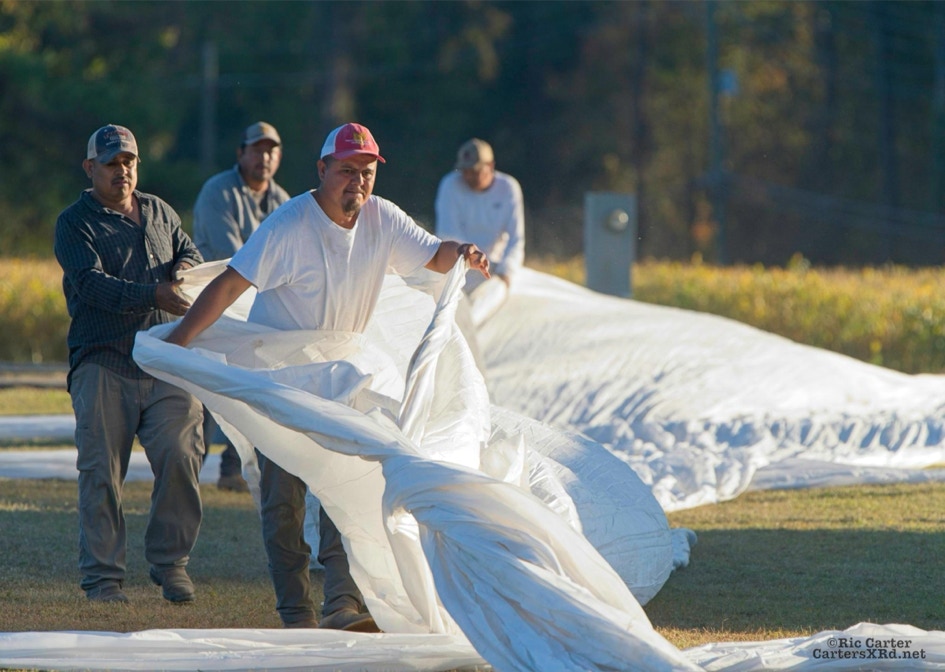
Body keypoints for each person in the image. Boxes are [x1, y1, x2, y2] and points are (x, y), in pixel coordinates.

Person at [165, 122, 490, 631]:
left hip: (338, 377)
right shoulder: (290, 224)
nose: (357, 181)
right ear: (322, 169)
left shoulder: (383, 219)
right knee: (284, 499)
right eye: (346, 170)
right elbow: (230, 286)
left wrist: (463, 252)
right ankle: (297, 611)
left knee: (348, 483)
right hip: (278, 379)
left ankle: (343, 603)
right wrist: (178, 344)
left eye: (366, 172)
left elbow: (433, 255)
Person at [54, 124, 206, 604]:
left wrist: (184, 269)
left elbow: (189, 251)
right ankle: (103, 578)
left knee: (183, 453)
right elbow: (90, 285)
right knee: (101, 471)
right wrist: (153, 294)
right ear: (90, 168)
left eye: (129, 162)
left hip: (165, 358)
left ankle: (171, 563)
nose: (122, 171)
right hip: (103, 359)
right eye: (111, 163)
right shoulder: (74, 222)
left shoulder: (159, 210)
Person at [193, 121, 290, 492]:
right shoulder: (218, 191)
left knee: (253, 386)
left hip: (257, 308)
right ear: (241, 153)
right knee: (205, 390)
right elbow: (232, 259)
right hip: (212, 304)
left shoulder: (283, 200)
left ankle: (233, 468)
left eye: (271, 150)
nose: (264, 157)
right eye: (257, 149)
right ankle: (189, 472)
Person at [434, 138, 525, 291]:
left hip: (496, 271)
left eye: (474, 171)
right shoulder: (450, 185)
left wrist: (506, 272)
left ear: (490, 166)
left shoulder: (508, 187)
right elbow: (447, 234)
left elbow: (516, 240)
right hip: (458, 268)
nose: (468, 176)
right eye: (465, 171)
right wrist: (470, 261)